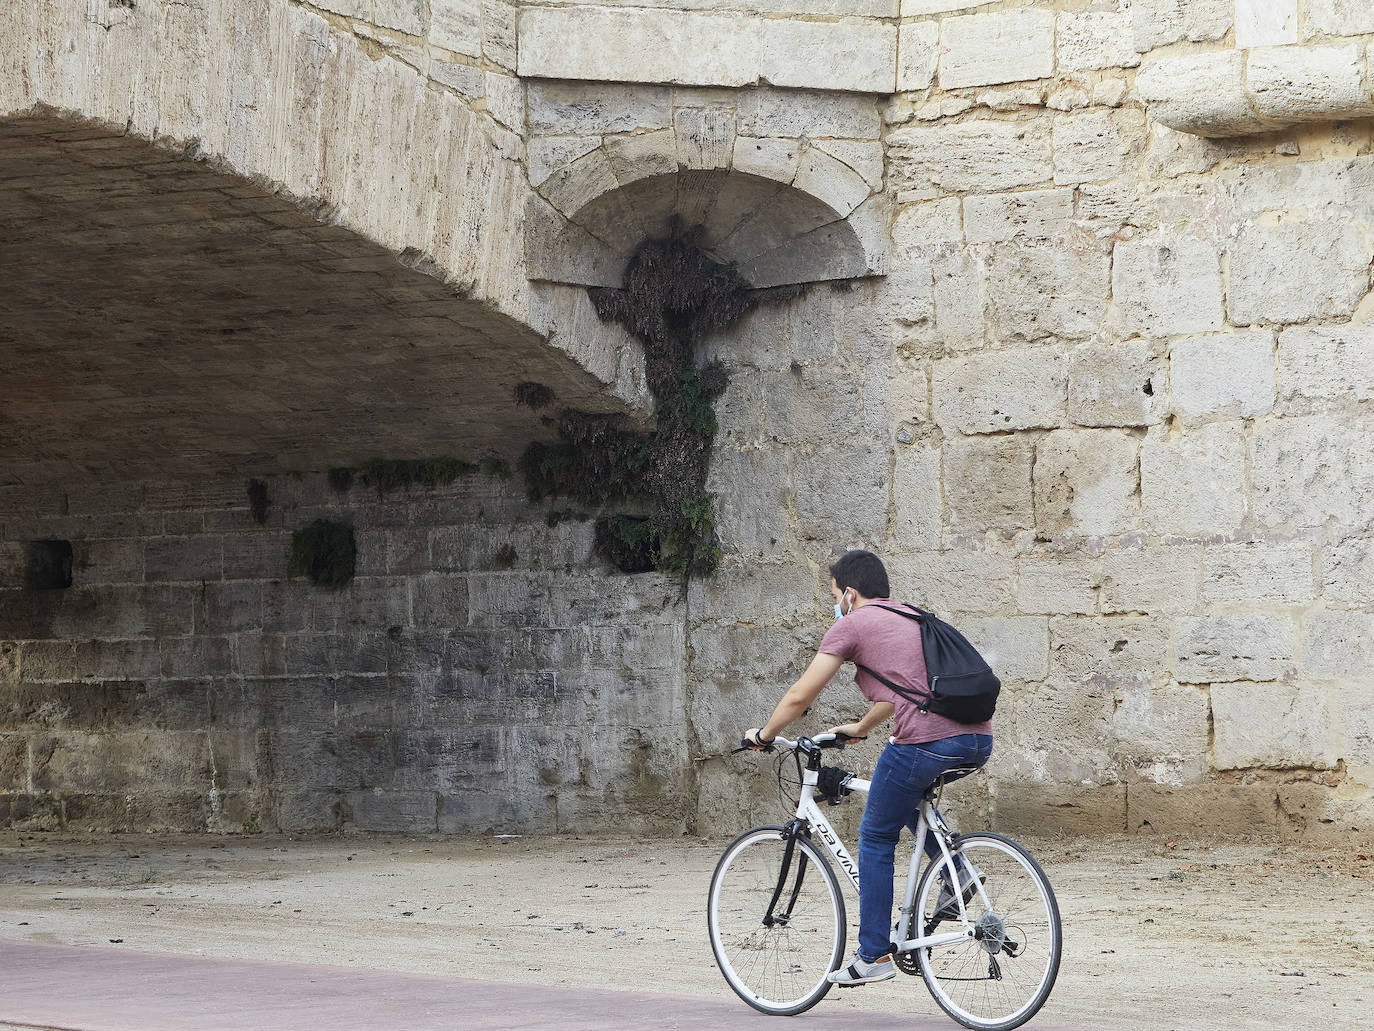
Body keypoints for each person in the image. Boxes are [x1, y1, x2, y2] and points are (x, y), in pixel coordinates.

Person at [743, 548, 994, 986]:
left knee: (875, 834)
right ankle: (957, 872)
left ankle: (873, 954)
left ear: (850, 593)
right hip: (977, 737)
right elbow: (907, 692)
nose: (834, 601)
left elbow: (801, 696)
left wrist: (764, 735)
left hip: (927, 741)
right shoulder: (911, 616)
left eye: (834, 593)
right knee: (906, 797)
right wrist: (861, 726)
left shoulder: (855, 623)